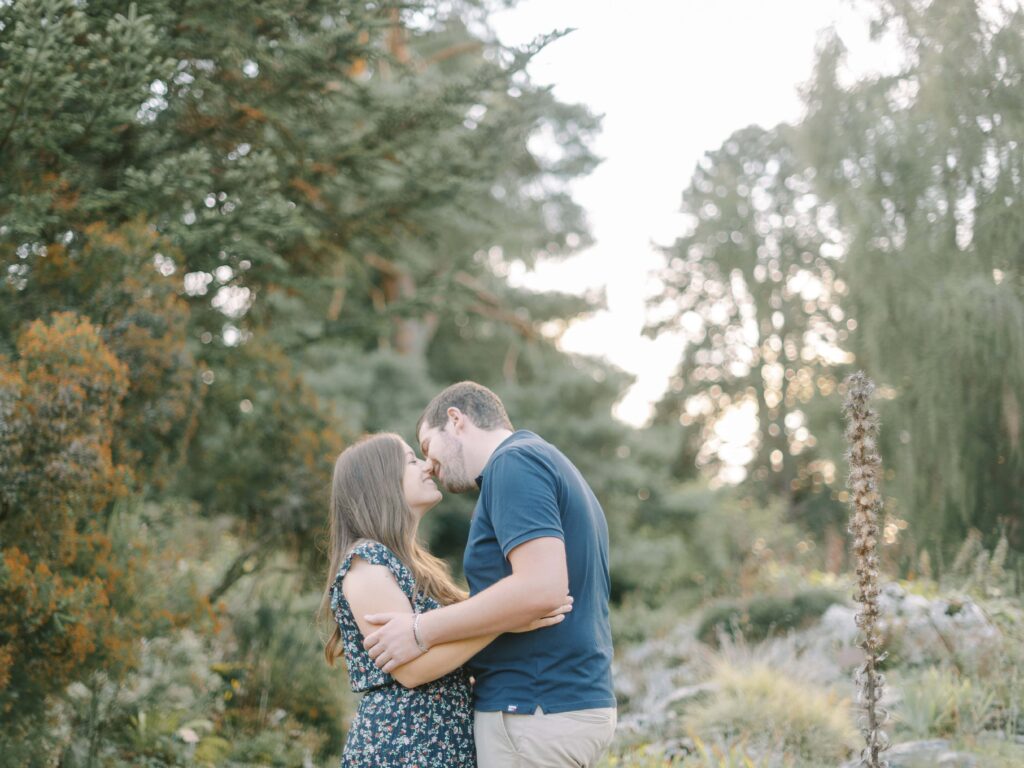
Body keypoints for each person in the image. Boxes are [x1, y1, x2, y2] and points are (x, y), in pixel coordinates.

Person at [362, 382, 617, 767]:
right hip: (552, 707)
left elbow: (542, 589)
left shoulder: (513, 464)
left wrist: (420, 629)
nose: (429, 465)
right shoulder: (538, 459)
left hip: (533, 711)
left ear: (455, 419)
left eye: (427, 447)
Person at [320, 433, 571, 767]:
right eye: (412, 460)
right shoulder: (365, 564)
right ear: (381, 481)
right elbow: (410, 671)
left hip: (440, 744)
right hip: (400, 747)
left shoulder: (416, 565)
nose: (427, 467)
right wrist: (507, 620)